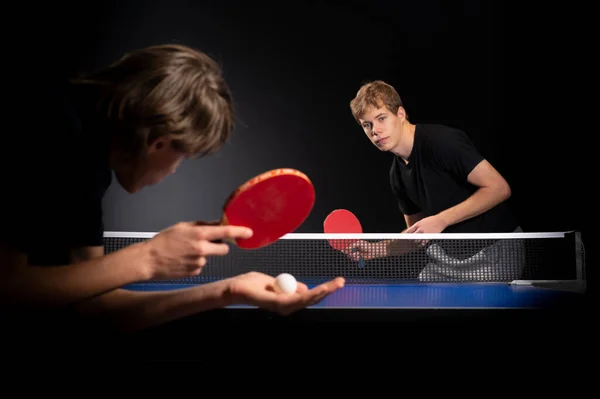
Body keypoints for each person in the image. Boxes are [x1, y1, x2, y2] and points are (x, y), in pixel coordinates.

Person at [0, 44, 345, 339]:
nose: (176, 168)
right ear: (158, 142)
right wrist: (149, 258)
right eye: (182, 156)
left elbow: (93, 305)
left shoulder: (93, 162)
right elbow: (9, 291)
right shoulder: (45, 127)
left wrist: (228, 291)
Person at [346, 80, 524, 281]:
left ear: (401, 114)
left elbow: (499, 188)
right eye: (367, 125)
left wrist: (442, 219)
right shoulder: (397, 175)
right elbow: (417, 234)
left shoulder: (441, 142)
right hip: (447, 262)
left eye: (381, 118)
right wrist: (376, 249)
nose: (375, 130)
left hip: (493, 253)